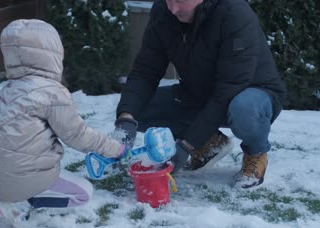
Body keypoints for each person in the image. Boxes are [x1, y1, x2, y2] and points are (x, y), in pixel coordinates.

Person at [114, 0, 286, 189]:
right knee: (140, 106)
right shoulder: (163, 12)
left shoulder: (234, 14)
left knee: (243, 108)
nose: (173, 9)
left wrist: (187, 144)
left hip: (252, 94)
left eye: (180, 1)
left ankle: (256, 152)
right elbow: (145, 71)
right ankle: (210, 143)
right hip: (200, 93)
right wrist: (126, 119)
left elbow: (228, 90)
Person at [0, 19, 129, 227]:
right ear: (52, 54)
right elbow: (77, 135)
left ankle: (11, 196)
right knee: (83, 193)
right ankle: (23, 203)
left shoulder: (6, 93)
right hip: (23, 179)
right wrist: (115, 149)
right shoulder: (51, 93)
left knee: (30, 169)